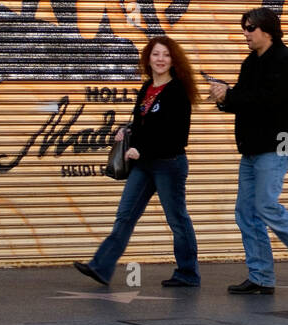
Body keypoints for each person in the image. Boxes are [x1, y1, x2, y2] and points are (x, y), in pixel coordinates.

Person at [211, 7, 288, 294]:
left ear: (267, 30)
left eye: (250, 28)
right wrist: (224, 97)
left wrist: (232, 95)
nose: (245, 34)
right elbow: (242, 100)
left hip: (277, 145)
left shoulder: (285, 61)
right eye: (244, 29)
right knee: (246, 213)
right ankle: (261, 277)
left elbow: (269, 101)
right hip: (252, 148)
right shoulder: (251, 63)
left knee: (264, 205)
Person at [75, 35, 203, 287]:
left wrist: (141, 150)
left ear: (174, 60)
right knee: (125, 215)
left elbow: (176, 136)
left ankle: (188, 273)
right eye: (156, 54)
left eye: (166, 55)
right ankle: (101, 267)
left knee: (177, 219)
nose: (160, 59)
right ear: (148, 58)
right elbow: (146, 124)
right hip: (145, 165)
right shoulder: (147, 88)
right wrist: (127, 130)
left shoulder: (177, 91)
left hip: (169, 163)